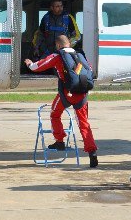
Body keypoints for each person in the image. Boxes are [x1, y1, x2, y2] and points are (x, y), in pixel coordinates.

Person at [24, 34, 98, 168]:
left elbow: (37, 67)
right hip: (82, 94)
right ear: (69, 43)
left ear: (58, 45)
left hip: (66, 94)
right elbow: (90, 71)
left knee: (55, 114)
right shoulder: (80, 55)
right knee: (84, 123)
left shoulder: (57, 56)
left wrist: (29, 63)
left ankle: (59, 140)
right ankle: (92, 152)